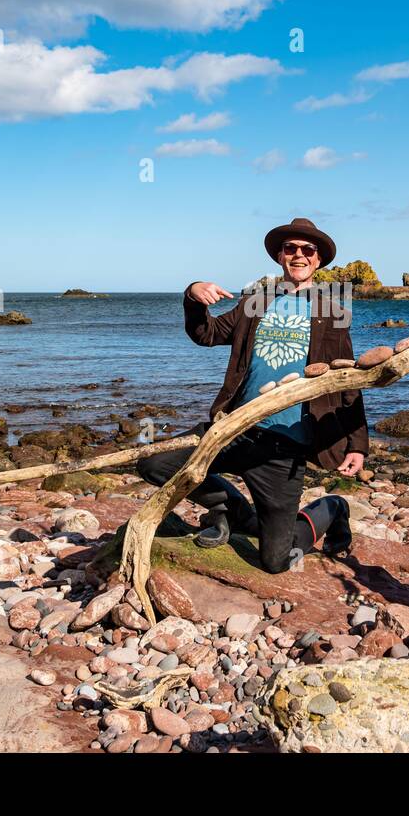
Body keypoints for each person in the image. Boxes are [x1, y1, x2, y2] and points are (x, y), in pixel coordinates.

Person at [137, 217, 368, 573]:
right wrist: (193, 294)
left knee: (276, 561)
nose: (299, 255)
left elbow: (346, 381)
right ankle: (229, 510)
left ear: (318, 260)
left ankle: (333, 507)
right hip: (233, 431)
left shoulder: (332, 313)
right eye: (290, 249)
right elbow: (206, 334)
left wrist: (356, 444)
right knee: (153, 463)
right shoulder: (253, 304)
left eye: (308, 250)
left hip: (286, 447)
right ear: (279, 255)